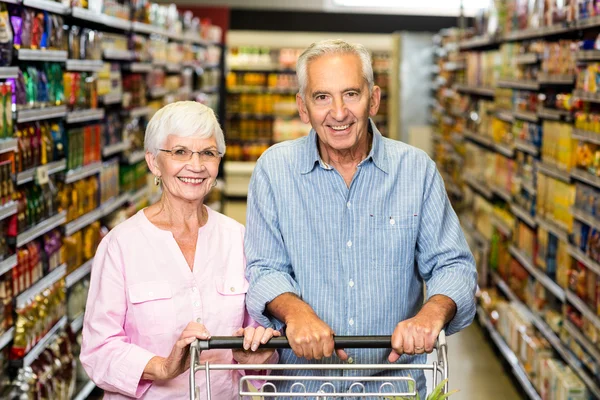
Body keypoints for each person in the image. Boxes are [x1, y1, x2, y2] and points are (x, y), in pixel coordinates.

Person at [244, 39, 478, 396]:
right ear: (303, 108)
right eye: (322, 97)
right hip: (303, 388)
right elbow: (264, 269)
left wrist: (431, 313)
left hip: (392, 388)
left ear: (374, 99)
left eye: (351, 94)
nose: (338, 112)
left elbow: (454, 265)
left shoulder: (416, 171)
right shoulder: (273, 171)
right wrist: (295, 312)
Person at [80, 101, 279, 400]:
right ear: (153, 162)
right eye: (180, 152)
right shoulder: (121, 245)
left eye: (208, 153)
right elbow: (98, 351)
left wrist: (258, 356)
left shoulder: (238, 239)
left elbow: (260, 342)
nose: (196, 166)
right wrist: (162, 367)